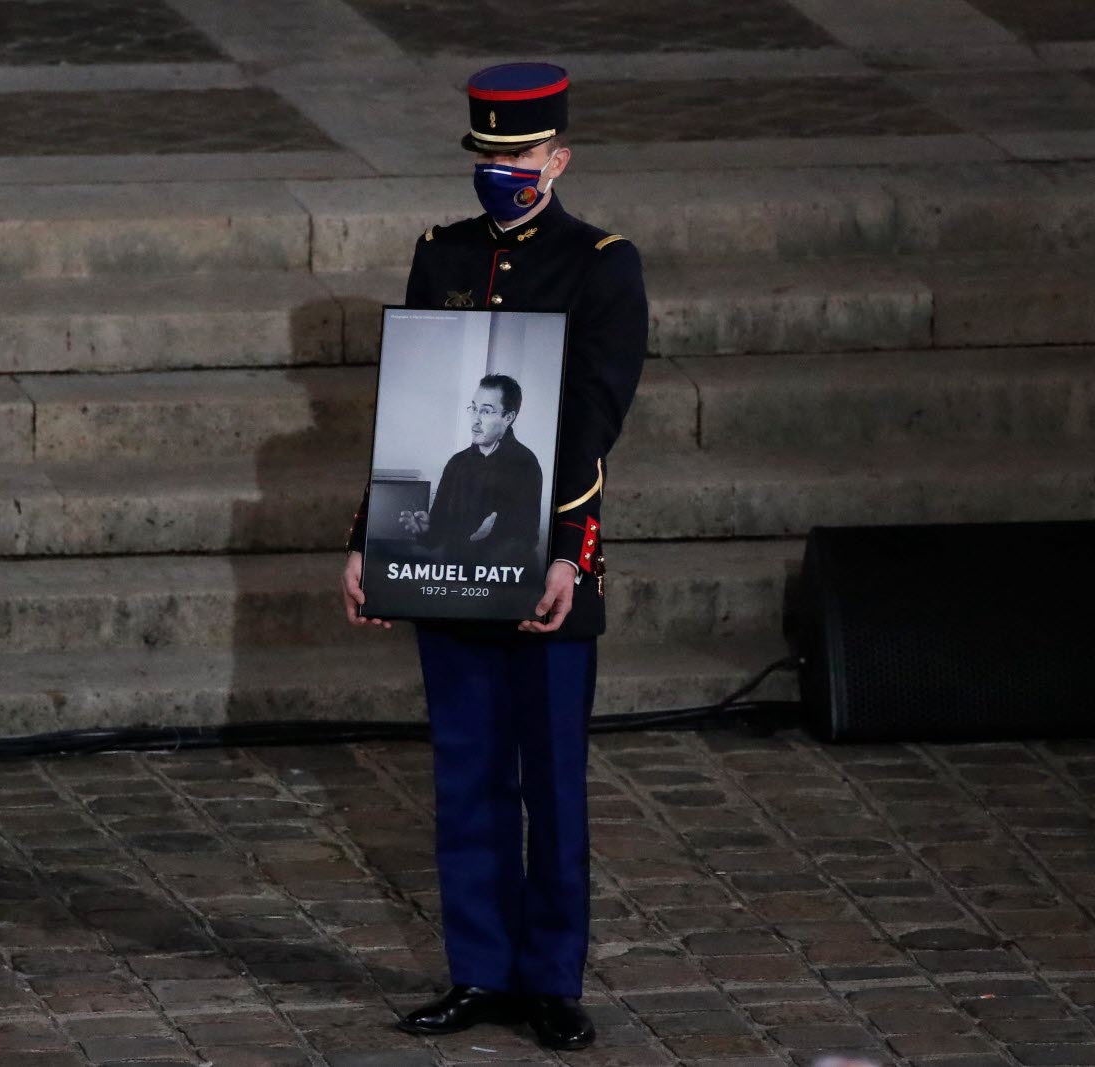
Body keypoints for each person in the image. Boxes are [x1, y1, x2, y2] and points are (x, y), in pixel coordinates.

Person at [340, 61, 647, 1052]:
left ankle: (552, 976)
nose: (501, 171)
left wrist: (565, 552)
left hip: (550, 553)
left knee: (552, 776)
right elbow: (415, 411)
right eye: (487, 155)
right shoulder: (442, 254)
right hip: (448, 560)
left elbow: (592, 421)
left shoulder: (601, 263)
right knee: (466, 770)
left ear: (557, 157)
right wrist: (371, 541)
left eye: (518, 155)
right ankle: (478, 966)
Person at [399, 374, 542, 571]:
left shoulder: (525, 463)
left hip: (500, 586)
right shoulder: (457, 463)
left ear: (508, 417)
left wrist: (484, 538)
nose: (475, 420)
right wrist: (426, 530)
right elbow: (437, 533)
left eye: (486, 411)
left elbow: (527, 538)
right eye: (474, 408)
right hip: (454, 578)